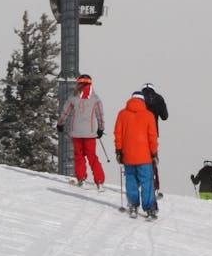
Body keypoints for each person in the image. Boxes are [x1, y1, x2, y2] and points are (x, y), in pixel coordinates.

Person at [114, 89, 159, 219]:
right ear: (143, 101)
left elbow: (118, 134)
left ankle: (133, 205)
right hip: (145, 156)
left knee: (131, 180)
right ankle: (149, 208)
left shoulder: (122, 114)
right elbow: (152, 136)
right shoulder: (148, 115)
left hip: (128, 155)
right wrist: (154, 153)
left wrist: (119, 151)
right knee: (147, 182)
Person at [57, 74, 106, 190]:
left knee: (79, 156)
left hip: (76, 133)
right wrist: (101, 129)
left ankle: (81, 179)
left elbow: (65, 112)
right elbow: (100, 116)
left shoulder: (73, 97)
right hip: (90, 133)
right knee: (92, 157)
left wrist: (60, 124)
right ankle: (99, 181)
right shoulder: (95, 99)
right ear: (90, 84)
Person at [139, 82, 169, 198]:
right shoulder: (159, 98)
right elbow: (165, 117)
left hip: (138, 134)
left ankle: (138, 185)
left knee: (137, 159)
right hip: (153, 134)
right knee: (152, 159)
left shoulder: (139, 98)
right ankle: (154, 187)